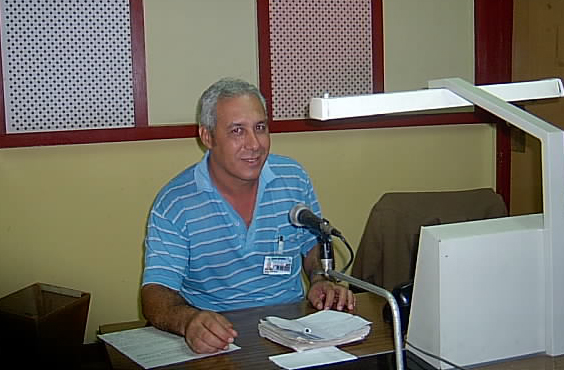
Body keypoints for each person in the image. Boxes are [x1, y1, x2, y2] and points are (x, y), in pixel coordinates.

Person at [141, 77, 355, 354]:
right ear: (208, 137)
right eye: (237, 131)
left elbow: (312, 245)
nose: (254, 144)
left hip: (293, 331)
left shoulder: (293, 178)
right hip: (219, 337)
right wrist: (189, 320)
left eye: (260, 128)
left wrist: (320, 279)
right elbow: (155, 291)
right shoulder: (175, 202)